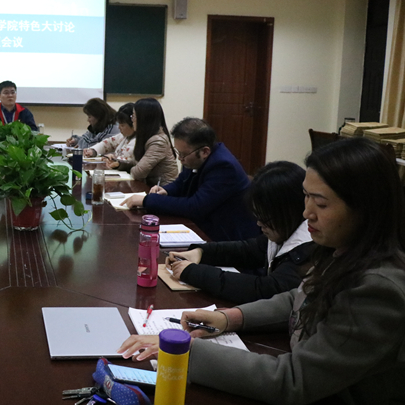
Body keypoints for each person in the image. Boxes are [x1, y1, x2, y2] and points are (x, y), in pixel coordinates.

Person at [118, 138, 405, 404]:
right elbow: (299, 296)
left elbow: (293, 379)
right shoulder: (341, 249)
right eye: (306, 197)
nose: (307, 213)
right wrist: (229, 317)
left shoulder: (376, 289)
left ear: (365, 208)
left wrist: (186, 352)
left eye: (320, 203)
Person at [166, 161, 314, 304]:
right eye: (258, 216)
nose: (259, 223)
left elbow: (264, 289)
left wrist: (194, 272)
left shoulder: (307, 250)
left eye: (265, 218)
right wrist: (200, 253)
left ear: (287, 212)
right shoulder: (285, 229)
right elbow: (248, 250)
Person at [123, 117, 259, 242]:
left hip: (228, 237)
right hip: (204, 226)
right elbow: (181, 182)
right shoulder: (194, 158)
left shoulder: (223, 166)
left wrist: (147, 200)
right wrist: (165, 190)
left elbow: (195, 207)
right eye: (178, 153)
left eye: (183, 154)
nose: (180, 158)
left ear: (205, 151)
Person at [117, 98, 178, 187]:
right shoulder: (147, 136)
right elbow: (137, 163)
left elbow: (138, 173)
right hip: (151, 187)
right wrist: (119, 164)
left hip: (164, 190)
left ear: (143, 119)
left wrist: (133, 169)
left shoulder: (158, 141)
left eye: (134, 116)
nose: (132, 120)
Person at [84, 103, 136, 168]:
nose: (119, 127)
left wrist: (113, 158)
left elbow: (130, 160)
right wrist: (93, 151)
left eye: (122, 125)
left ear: (134, 124)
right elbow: (109, 142)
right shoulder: (124, 136)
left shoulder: (138, 141)